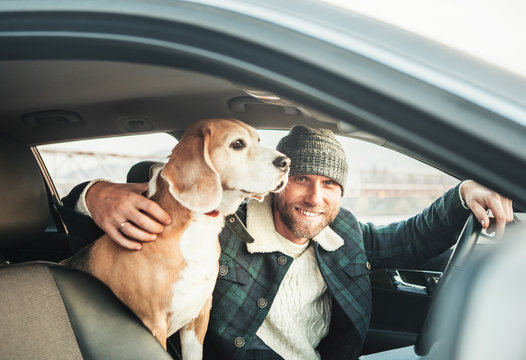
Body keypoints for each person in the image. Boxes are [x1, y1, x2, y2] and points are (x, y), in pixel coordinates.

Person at [60, 125, 513, 360]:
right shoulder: (218, 220)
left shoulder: (344, 231)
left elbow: (412, 240)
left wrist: (462, 194)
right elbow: (112, 231)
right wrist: (92, 194)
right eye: (301, 179)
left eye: (330, 185)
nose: (315, 197)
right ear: (278, 178)